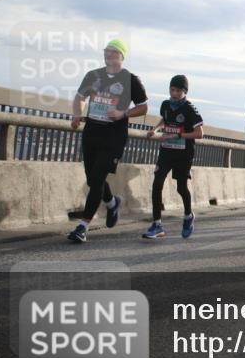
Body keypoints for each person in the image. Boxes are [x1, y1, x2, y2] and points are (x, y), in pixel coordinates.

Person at [67, 38, 148, 243]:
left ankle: (83, 226)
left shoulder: (130, 80)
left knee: (96, 180)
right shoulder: (93, 75)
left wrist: (123, 113)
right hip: (92, 132)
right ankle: (112, 203)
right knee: (93, 178)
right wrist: (77, 114)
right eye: (106, 51)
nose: (108, 55)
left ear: (122, 56)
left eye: (113, 52)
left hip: (113, 136)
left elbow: (143, 107)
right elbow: (79, 98)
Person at [143, 75, 203, 239]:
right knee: (157, 183)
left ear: (185, 92)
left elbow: (199, 134)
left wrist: (179, 135)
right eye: (172, 90)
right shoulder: (166, 104)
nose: (174, 93)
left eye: (178, 90)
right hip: (166, 150)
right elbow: (165, 119)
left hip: (183, 153)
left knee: (181, 187)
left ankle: (188, 216)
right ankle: (156, 224)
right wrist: (155, 130)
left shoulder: (190, 109)